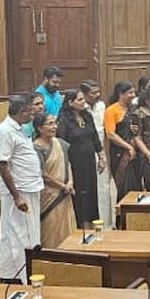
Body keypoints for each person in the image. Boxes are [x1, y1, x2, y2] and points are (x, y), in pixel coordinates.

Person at [0, 94, 42, 283]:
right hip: (20, 191)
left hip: (28, 187)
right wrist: (16, 196)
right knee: (22, 235)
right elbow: (3, 165)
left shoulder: (19, 128)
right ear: (21, 112)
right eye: (30, 111)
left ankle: (15, 274)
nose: (33, 114)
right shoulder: (5, 132)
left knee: (21, 233)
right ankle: (24, 276)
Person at [57, 89, 103, 227]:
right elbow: (61, 143)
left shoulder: (87, 116)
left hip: (89, 160)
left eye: (83, 99)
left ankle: (91, 222)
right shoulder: (64, 120)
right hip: (74, 162)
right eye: (80, 100)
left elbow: (94, 137)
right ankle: (79, 224)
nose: (83, 102)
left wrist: (101, 156)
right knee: (79, 192)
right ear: (70, 103)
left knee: (91, 192)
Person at [31, 112, 74, 247]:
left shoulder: (60, 143)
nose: (54, 127)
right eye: (50, 124)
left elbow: (68, 163)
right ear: (39, 128)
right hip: (48, 195)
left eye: (55, 123)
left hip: (65, 192)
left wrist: (70, 182)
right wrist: (62, 186)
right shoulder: (35, 148)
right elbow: (42, 174)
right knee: (50, 227)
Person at [81, 80, 115, 226]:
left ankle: (106, 224)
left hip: (101, 148)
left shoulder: (101, 106)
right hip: (86, 150)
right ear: (84, 94)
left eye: (98, 92)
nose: (97, 95)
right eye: (93, 93)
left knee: (104, 187)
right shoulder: (81, 108)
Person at [104, 81, 137, 198]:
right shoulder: (111, 110)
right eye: (130, 92)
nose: (133, 95)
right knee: (124, 187)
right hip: (120, 153)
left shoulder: (133, 109)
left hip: (135, 154)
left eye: (134, 92)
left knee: (136, 186)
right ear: (120, 94)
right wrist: (128, 147)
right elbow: (111, 134)